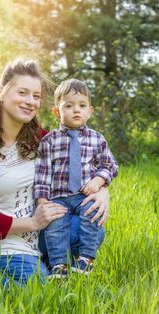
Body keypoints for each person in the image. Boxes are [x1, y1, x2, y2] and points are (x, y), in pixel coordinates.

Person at [0, 59, 110, 286]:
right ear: (2, 92)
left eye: (36, 96)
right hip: (0, 246)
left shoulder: (42, 138)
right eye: (23, 92)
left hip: (42, 237)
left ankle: (45, 263)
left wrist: (103, 190)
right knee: (42, 294)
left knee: (93, 230)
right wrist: (33, 223)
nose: (30, 101)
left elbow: (85, 166)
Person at [34, 79, 118, 278]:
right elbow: (43, 172)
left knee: (92, 216)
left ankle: (86, 259)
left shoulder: (97, 139)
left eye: (81, 106)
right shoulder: (49, 141)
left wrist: (98, 181)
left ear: (90, 111)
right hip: (58, 196)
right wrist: (42, 200)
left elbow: (109, 165)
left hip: (84, 195)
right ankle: (58, 266)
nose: (76, 111)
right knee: (55, 228)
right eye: (69, 106)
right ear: (57, 112)